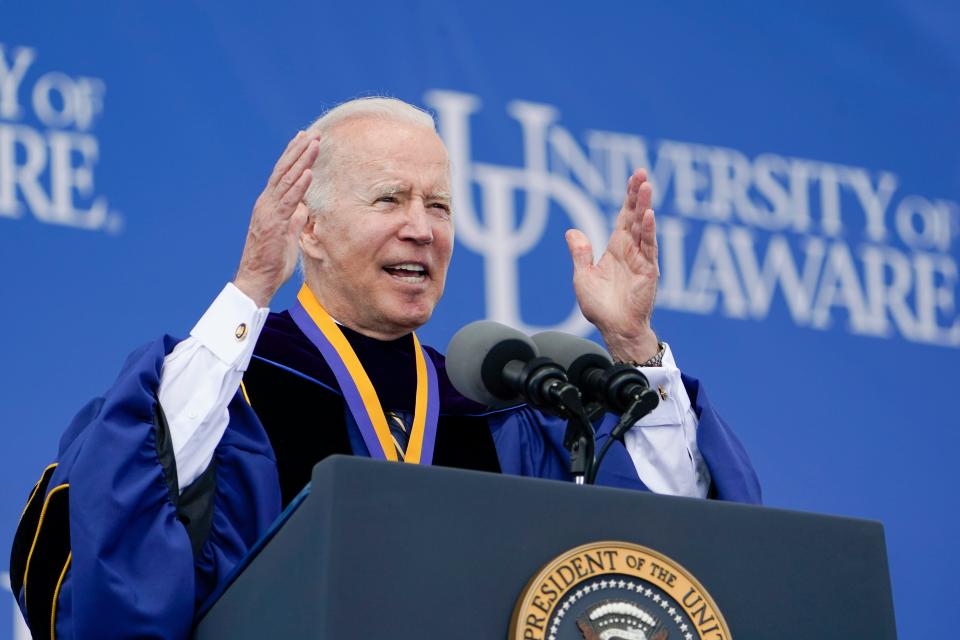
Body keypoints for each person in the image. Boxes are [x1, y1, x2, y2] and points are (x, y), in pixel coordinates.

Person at [10, 98, 759, 639]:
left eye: (439, 205)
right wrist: (248, 290)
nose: (421, 228)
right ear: (308, 227)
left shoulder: (499, 409)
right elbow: (120, 538)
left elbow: (666, 552)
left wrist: (632, 346)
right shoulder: (225, 386)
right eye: (389, 199)